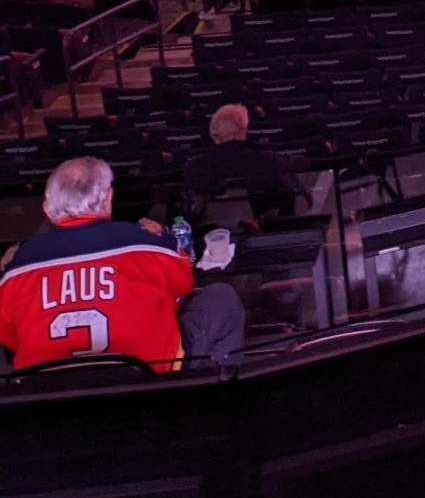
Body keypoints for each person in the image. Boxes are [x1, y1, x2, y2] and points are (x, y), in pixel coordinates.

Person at [0, 157, 244, 372]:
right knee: (221, 297)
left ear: (48, 210)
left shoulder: (16, 268)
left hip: (50, 398)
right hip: (145, 384)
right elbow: (182, 285)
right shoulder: (146, 242)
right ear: (108, 199)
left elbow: (10, 338)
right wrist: (165, 239)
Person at [179, 104, 298, 226]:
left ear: (213, 133)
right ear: (244, 130)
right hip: (266, 234)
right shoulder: (271, 161)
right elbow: (293, 203)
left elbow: (190, 212)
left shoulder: (194, 167)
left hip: (209, 235)